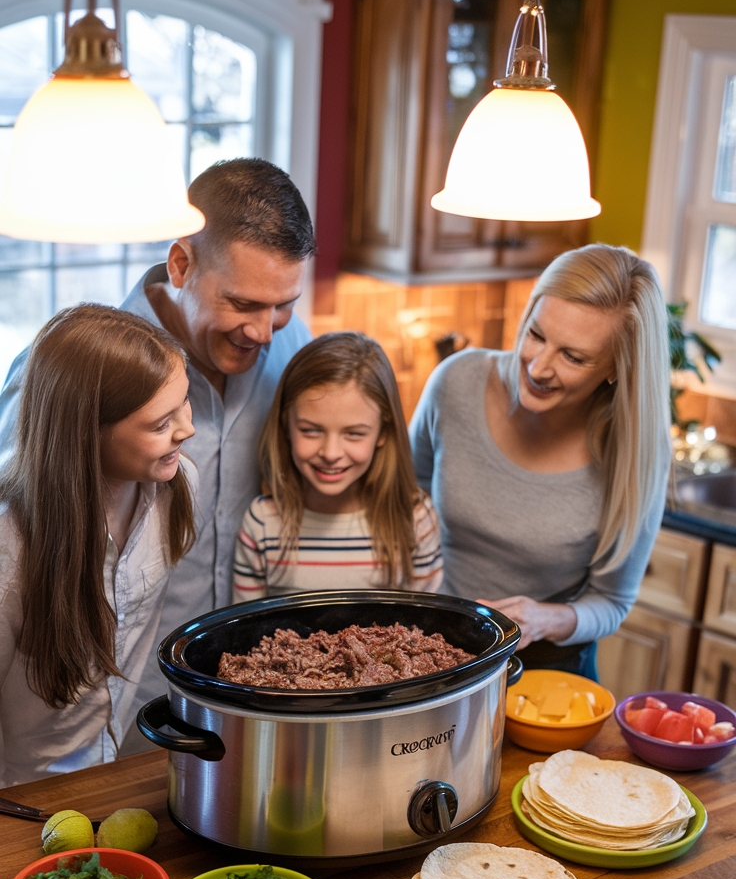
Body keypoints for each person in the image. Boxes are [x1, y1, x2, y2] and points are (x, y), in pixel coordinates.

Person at [0, 158, 314, 742]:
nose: (265, 331)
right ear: (181, 263)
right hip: (96, 715)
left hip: (244, 696)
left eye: (284, 304)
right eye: (243, 304)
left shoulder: (292, 345)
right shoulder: (72, 373)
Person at [409, 244, 671, 680]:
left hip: (550, 667)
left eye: (573, 356)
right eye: (536, 334)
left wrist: (545, 618)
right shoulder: (456, 383)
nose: (539, 366)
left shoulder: (634, 450)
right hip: (433, 645)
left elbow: (612, 603)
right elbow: (401, 502)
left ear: (615, 368)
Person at [0, 305, 196, 785]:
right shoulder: (10, 553)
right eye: (159, 424)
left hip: (107, 769)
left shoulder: (177, 486)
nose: (186, 429)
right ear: (85, 434)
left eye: (184, 404)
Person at [232, 332, 443, 600]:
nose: (331, 454)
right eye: (310, 431)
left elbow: (426, 631)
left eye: (354, 434)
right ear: (286, 424)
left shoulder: (414, 520)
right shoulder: (262, 524)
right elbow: (244, 635)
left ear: (383, 433)